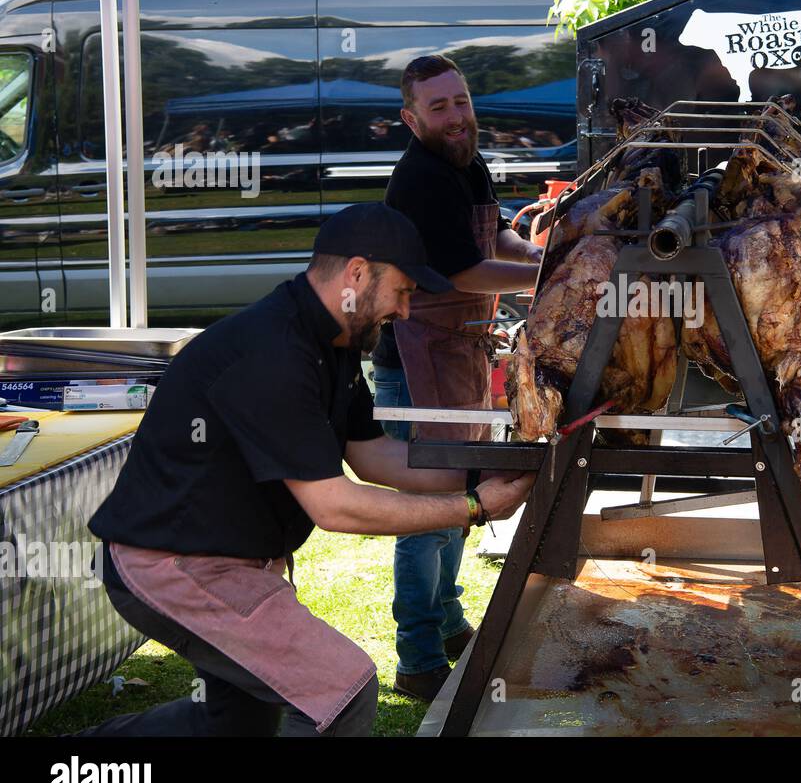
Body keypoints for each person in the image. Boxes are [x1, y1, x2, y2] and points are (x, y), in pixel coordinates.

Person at [82, 203, 534, 736]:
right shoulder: (274, 352)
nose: (407, 312)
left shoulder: (333, 338)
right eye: (404, 290)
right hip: (171, 563)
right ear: (358, 273)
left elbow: (373, 455)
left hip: (223, 556)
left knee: (236, 723)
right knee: (338, 691)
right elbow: (333, 505)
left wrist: (479, 475)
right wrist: (473, 509)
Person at [370, 54, 543, 701]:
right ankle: (417, 658)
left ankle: (447, 624)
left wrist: (554, 259)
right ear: (410, 118)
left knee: (459, 502)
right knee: (426, 513)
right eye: (439, 107)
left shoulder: (468, 163)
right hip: (415, 367)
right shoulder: (420, 179)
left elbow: (498, 241)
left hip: (460, 354)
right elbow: (467, 273)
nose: (455, 116)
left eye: (461, 101)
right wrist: (549, 279)